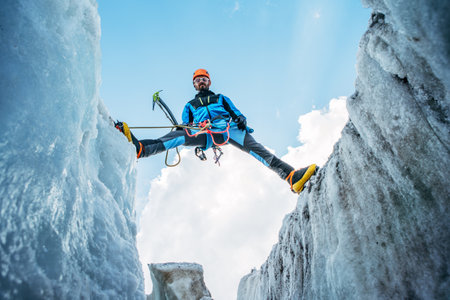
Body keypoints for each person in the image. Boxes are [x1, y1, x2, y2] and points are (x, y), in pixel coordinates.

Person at [115, 69, 317, 193]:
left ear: (209, 81)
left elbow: (236, 112)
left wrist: (241, 119)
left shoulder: (221, 97)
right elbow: (188, 125)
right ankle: (140, 148)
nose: (200, 82)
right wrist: (189, 131)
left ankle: (292, 177)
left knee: (258, 150)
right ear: (194, 84)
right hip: (206, 132)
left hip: (228, 128)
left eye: (203, 79)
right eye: (197, 80)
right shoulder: (190, 105)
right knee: (178, 136)